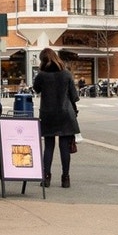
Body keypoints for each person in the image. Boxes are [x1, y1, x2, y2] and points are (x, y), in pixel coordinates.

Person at [31, 48, 80, 188]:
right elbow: (73, 96)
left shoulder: (42, 75)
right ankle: (65, 178)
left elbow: (36, 89)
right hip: (65, 113)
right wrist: (75, 112)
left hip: (48, 114)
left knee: (49, 147)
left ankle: (46, 177)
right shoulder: (66, 74)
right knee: (64, 147)